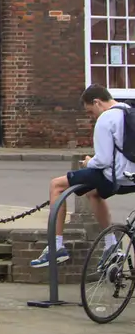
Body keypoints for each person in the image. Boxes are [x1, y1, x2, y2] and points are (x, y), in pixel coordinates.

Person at [34, 85, 132, 268]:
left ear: (97, 102)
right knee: (93, 193)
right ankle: (111, 246)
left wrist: (88, 162)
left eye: (90, 111)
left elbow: (102, 160)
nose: (92, 116)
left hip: (116, 176)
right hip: (131, 177)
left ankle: (56, 248)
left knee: (57, 185)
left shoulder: (106, 119)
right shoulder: (128, 111)